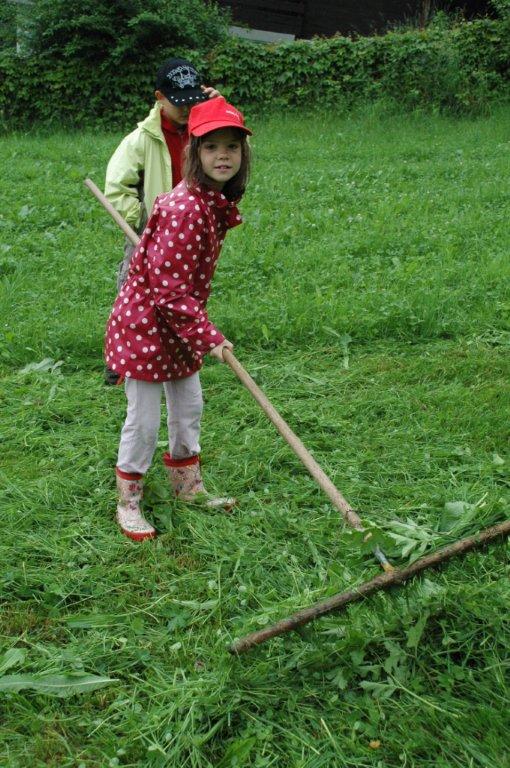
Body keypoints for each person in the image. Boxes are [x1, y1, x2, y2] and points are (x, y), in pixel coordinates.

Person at [104, 96, 252, 541]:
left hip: (179, 326)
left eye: (232, 146)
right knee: (144, 420)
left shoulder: (210, 201)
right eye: (212, 147)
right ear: (193, 152)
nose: (223, 155)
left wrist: (196, 331)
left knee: (188, 407)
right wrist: (209, 337)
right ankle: (129, 502)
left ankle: (187, 488)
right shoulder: (184, 208)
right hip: (146, 326)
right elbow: (168, 291)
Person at [103, 57, 220, 384]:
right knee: (134, 289)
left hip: (192, 230)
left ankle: (179, 347)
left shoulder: (204, 131)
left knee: (185, 289)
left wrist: (217, 109)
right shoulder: (141, 139)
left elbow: (233, 152)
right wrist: (144, 221)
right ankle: (121, 359)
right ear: (159, 97)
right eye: (178, 102)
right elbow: (116, 187)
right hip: (152, 232)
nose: (187, 109)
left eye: (193, 101)